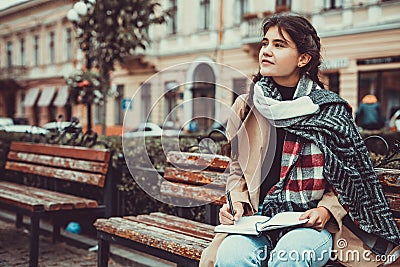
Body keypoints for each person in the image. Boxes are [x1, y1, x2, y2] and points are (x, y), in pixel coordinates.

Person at [199, 13, 400, 267]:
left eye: (279, 45)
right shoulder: (247, 106)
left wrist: (326, 210)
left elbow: (350, 180)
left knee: (288, 258)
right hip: (256, 222)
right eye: (265, 43)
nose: (266, 51)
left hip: (309, 227)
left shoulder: (331, 111)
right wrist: (236, 202)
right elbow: (237, 169)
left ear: (303, 58)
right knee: (231, 258)